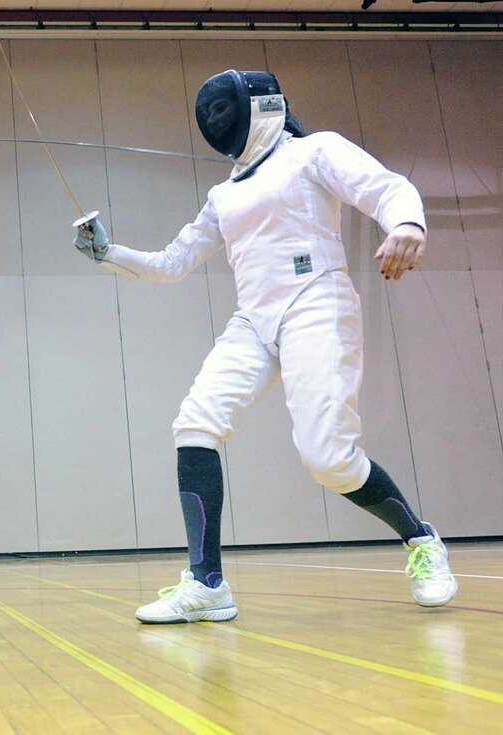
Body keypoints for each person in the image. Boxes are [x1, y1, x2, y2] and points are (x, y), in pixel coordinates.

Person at [73, 69, 457, 624]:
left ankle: (421, 540)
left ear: (260, 104)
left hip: (317, 303)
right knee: (195, 424)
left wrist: (407, 224)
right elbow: (171, 263)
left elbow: (386, 187)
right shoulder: (223, 195)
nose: (215, 120)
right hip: (254, 320)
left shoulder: (313, 151)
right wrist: (108, 252)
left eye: (222, 109)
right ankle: (207, 584)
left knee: (328, 459)